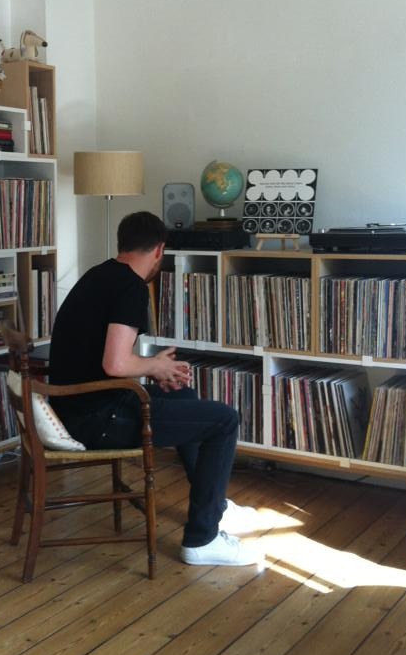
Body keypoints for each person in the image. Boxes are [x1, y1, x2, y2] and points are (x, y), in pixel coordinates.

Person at [48, 210, 262, 566]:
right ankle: (202, 539)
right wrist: (154, 366)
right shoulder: (131, 287)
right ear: (160, 249)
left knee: (183, 395)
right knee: (225, 420)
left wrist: (153, 367)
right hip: (98, 420)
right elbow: (115, 365)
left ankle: (215, 505)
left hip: (74, 408)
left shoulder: (98, 275)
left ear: (122, 243)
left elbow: (105, 360)